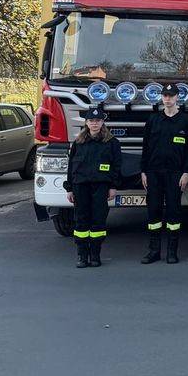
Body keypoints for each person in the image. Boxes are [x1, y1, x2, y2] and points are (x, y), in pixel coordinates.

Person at [140, 84, 188, 264]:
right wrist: (143, 171)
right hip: (154, 173)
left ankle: (172, 252)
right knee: (153, 211)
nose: (167, 99)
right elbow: (145, 148)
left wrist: (186, 172)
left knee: (174, 212)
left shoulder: (186, 121)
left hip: (175, 173)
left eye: (171, 96)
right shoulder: (153, 120)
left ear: (177, 98)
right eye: (165, 95)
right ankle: (154, 251)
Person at [64, 105, 120, 268]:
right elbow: (70, 167)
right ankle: (82, 256)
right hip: (80, 186)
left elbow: (116, 166)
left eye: (98, 120)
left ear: (103, 122)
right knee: (81, 221)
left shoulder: (111, 142)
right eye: (91, 120)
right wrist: (69, 188)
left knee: (98, 222)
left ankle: (95, 255)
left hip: (101, 186)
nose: (94, 123)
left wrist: (113, 186)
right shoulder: (78, 142)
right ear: (86, 123)